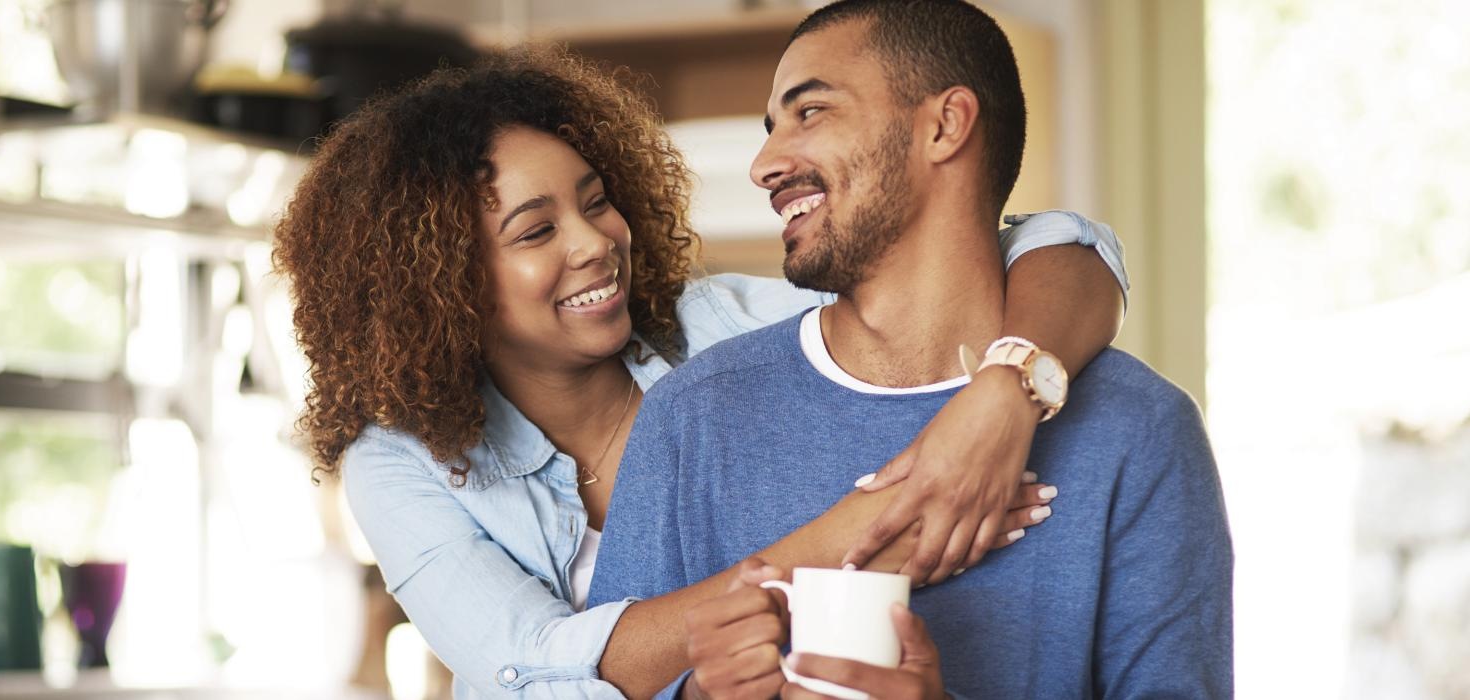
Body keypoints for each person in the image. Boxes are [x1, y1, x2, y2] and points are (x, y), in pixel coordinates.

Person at [271, 45, 1129, 698]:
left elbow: (1054, 247)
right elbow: (527, 668)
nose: (594, 242)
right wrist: (877, 527)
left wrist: (1002, 394)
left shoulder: (715, 328)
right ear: (440, 286)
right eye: (536, 232)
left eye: (596, 199)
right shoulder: (400, 462)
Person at [585, 1, 1231, 698]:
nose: (765, 163)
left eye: (811, 112)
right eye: (771, 128)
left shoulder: (1139, 432)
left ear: (945, 125)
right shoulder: (692, 418)